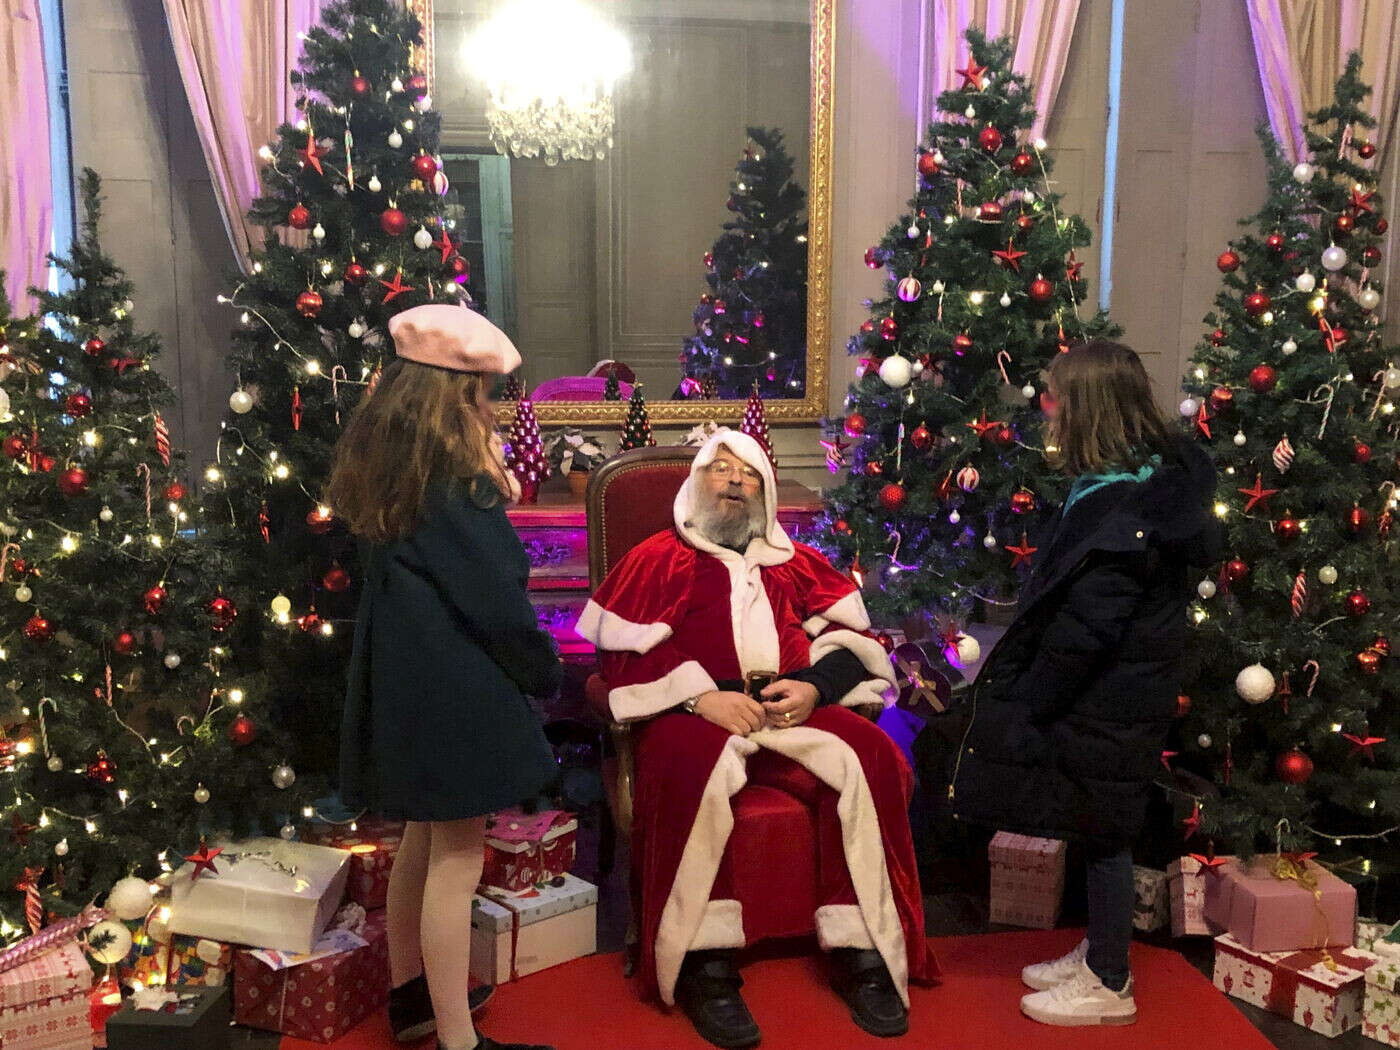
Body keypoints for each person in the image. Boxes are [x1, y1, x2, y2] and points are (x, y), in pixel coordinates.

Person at [577, 429, 938, 1049]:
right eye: (721, 470)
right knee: (687, 770)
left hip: (792, 704)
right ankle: (703, 963)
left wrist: (816, 689)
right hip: (693, 714)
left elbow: (852, 645)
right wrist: (698, 698)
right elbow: (619, 664)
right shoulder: (656, 558)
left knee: (873, 756)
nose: (736, 481)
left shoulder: (796, 562)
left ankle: (864, 947)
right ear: (696, 484)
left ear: (765, 492)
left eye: (748, 473)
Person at [950, 339, 1221, 1027]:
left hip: (1111, 697)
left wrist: (1035, 700)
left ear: (1087, 407)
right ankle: (1101, 951)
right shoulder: (1123, 486)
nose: (1047, 411)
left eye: (1056, 399)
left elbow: (1086, 629)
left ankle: (1109, 980)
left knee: (1104, 831)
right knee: (1092, 821)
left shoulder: (1125, 512)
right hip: (1113, 694)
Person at [329, 303, 561, 1050]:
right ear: (455, 398)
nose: (489, 407)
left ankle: (411, 999)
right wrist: (540, 669)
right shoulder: (455, 482)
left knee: (422, 846)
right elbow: (496, 597)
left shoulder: (393, 466)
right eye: (482, 395)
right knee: (458, 855)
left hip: (406, 684)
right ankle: (458, 1042)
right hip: (453, 690)